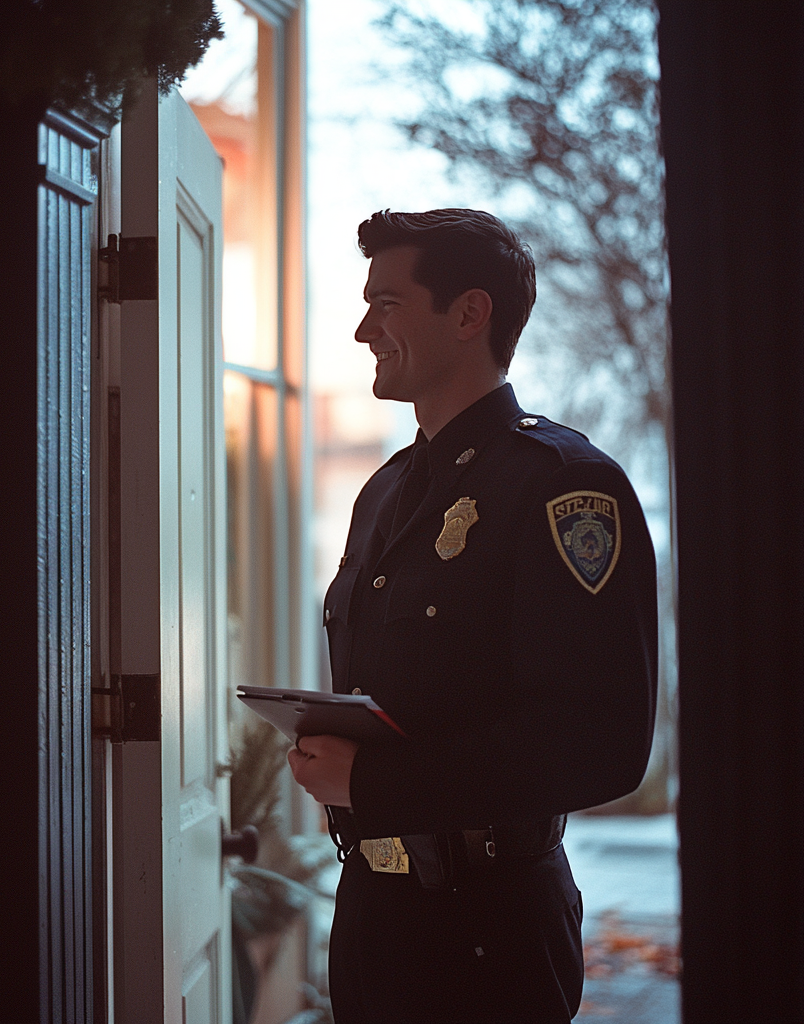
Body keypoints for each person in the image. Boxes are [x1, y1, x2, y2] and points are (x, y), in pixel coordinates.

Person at [288, 209, 658, 1023]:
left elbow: (604, 744)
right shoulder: (385, 489)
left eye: (386, 304)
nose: (361, 329)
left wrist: (372, 781)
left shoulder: (563, 487)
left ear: (468, 313)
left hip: (488, 936)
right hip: (373, 918)